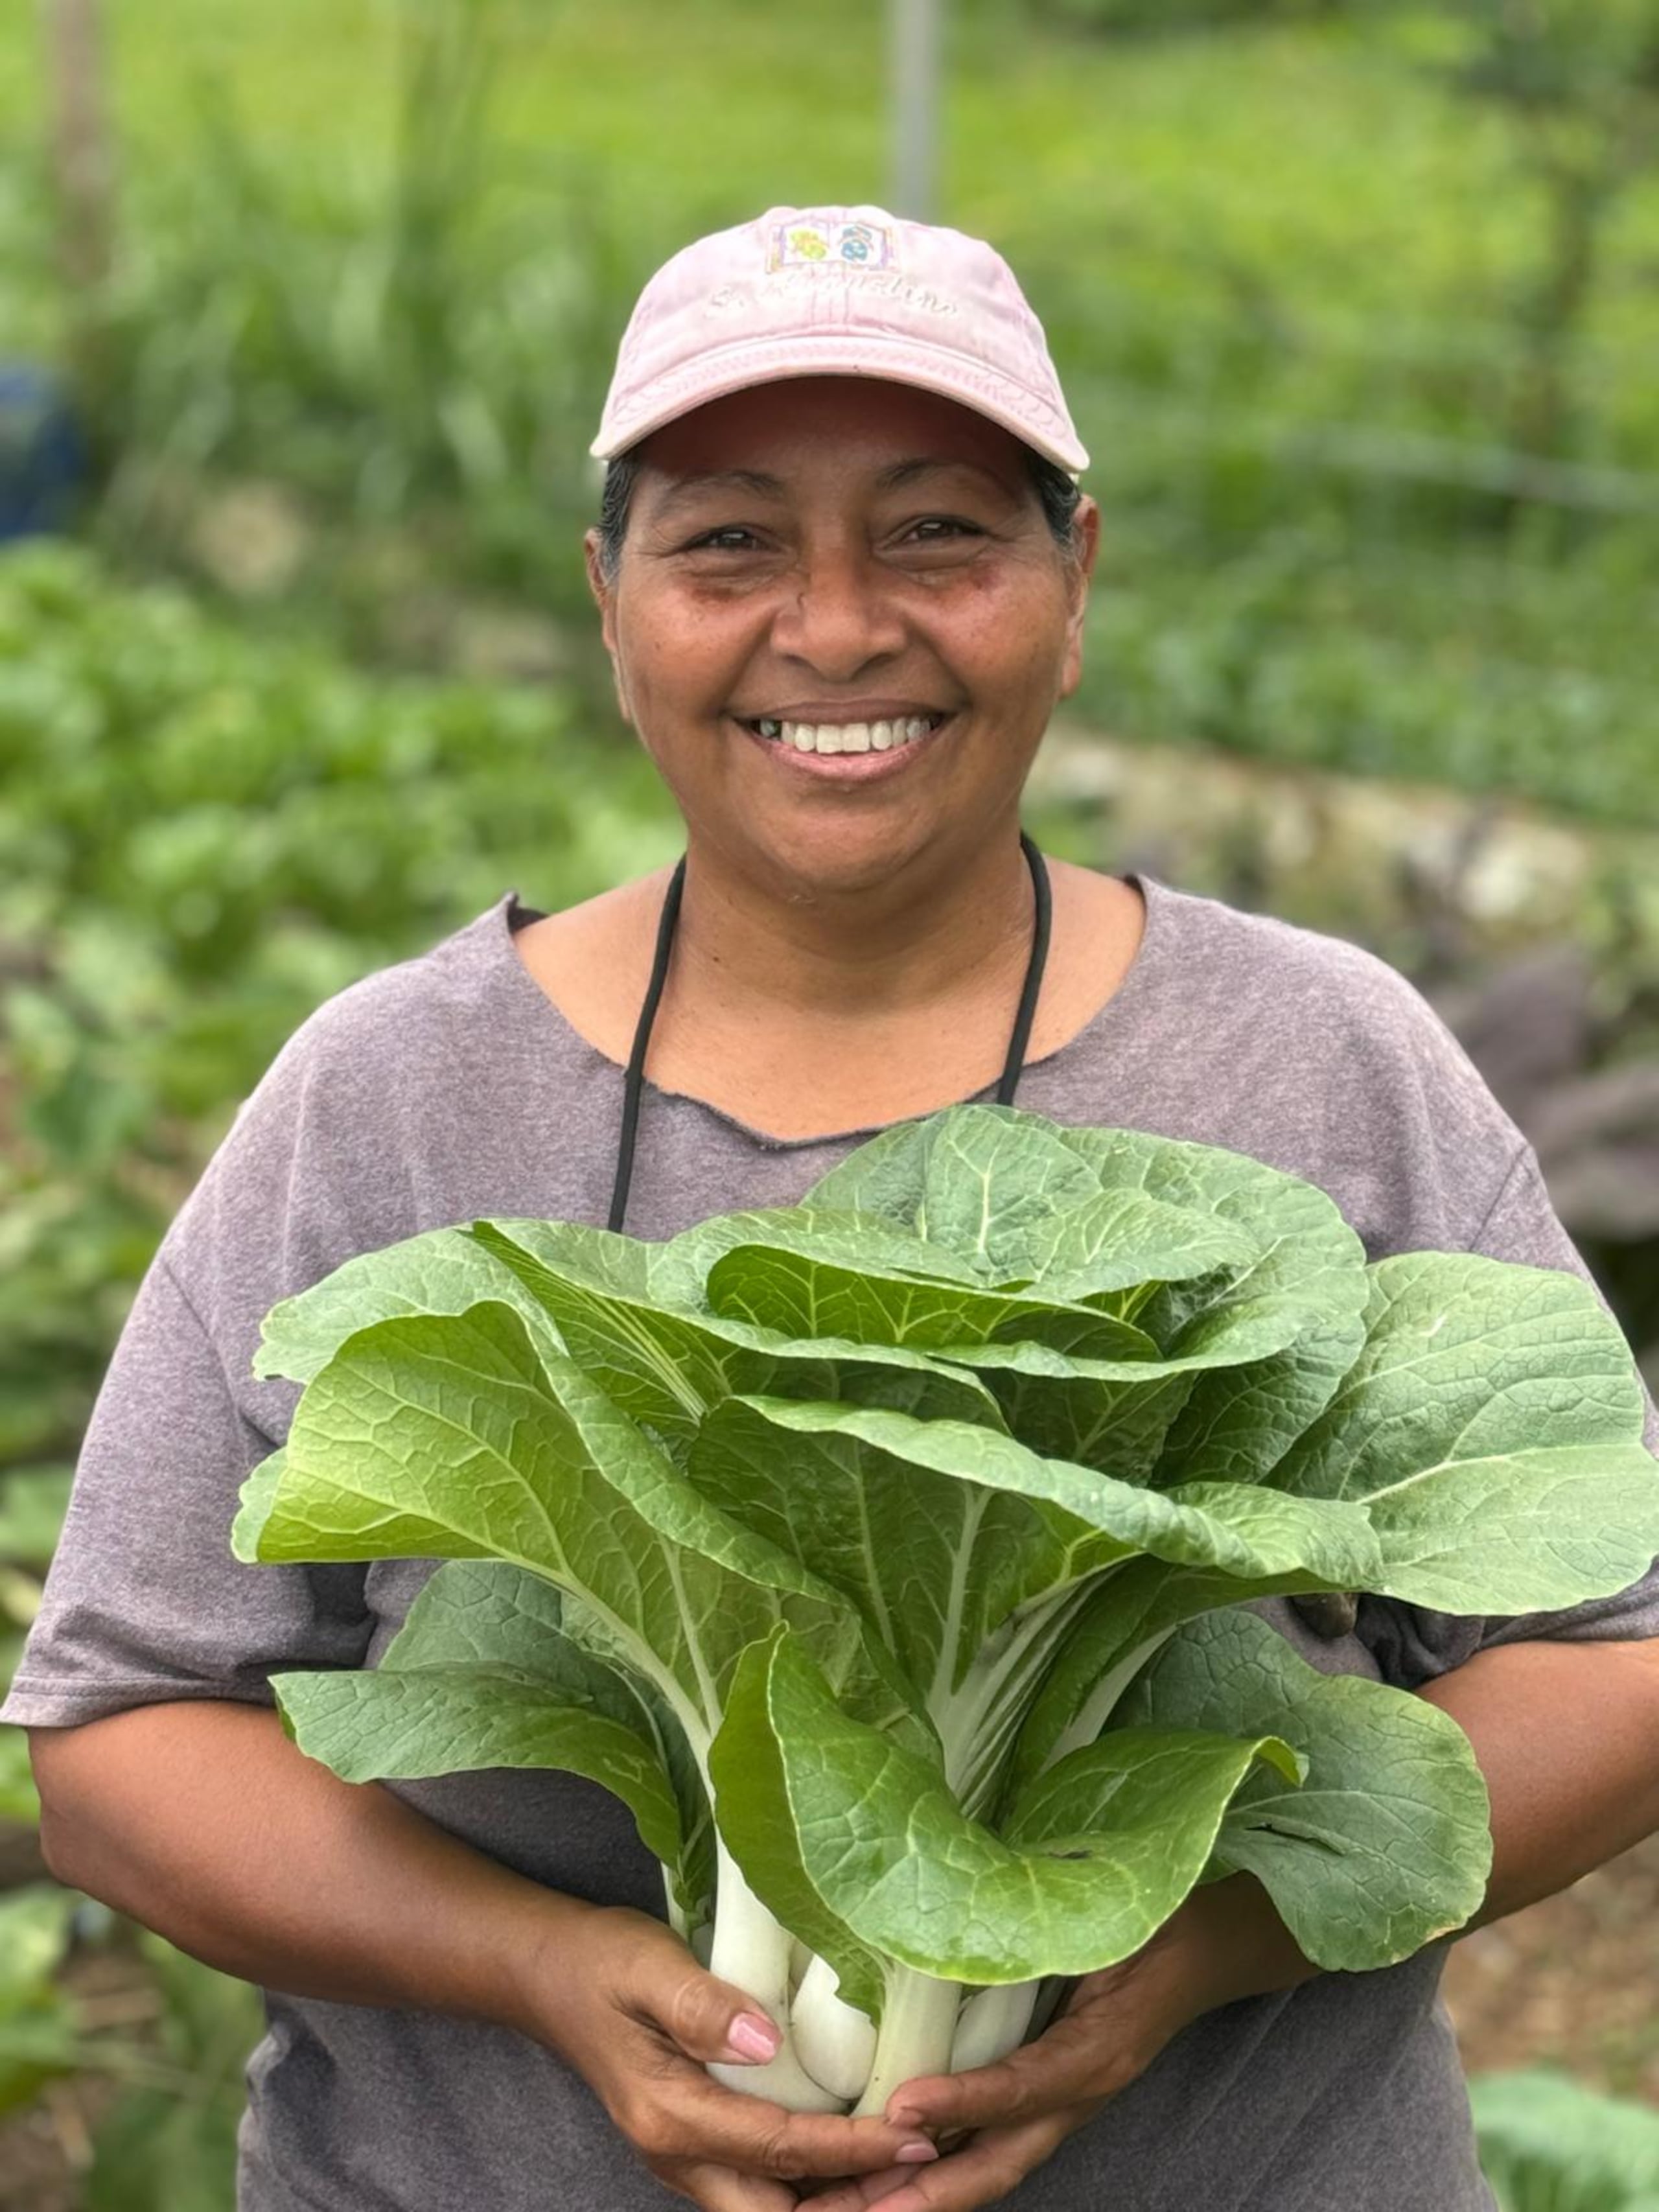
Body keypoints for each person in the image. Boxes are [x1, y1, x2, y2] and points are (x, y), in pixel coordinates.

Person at [8, 204, 1659, 2212]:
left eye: (941, 531)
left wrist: (1186, 1959)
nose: (838, 625)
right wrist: (542, 1972)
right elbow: (116, 1737)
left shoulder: (1326, 1060)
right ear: (611, 603)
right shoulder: (391, 1097)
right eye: (728, 542)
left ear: (1077, 583)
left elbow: (1615, 1647)